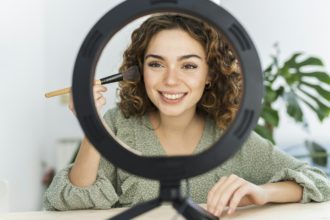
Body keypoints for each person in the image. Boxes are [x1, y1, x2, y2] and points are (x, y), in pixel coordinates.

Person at [43, 13, 330, 217]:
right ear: (140, 71)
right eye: (156, 64)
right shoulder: (118, 126)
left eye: (189, 66)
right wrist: (92, 122)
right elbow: (69, 204)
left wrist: (263, 192)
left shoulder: (228, 137)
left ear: (209, 74)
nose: (170, 80)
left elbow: (319, 183)